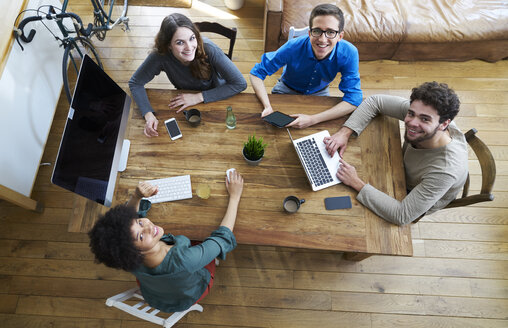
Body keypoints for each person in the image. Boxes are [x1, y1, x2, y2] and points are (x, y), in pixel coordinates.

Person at [88, 170, 244, 312]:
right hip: (191, 292)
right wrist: (235, 196)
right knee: (203, 238)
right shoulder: (185, 261)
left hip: (155, 294)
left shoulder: (125, 257)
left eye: (140, 222)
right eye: (141, 236)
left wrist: (136, 196)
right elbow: (222, 238)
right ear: (133, 253)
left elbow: (128, 220)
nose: (148, 227)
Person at [324, 82, 468, 225]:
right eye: (411, 113)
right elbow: (375, 101)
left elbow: (402, 215)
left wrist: (356, 183)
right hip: (399, 166)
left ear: (444, 124)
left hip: (411, 192)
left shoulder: (445, 171)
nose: (412, 123)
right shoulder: (426, 114)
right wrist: (345, 132)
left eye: (424, 119)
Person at [129, 13, 247, 137]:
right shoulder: (160, 56)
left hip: (218, 95)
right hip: (186, 102)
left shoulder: (209, 49)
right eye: (180, 42)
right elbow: (135, 83)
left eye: (192, 38)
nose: (189, 48)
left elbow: (240, 83)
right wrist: (148, 115)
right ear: (168, 45)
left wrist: (198, 97)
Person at [250, 3, 362, 129]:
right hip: (286, 89)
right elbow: (256, 74)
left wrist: (313, 119)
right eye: (317, 31)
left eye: (330, 32)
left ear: (340, 36)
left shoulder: (349, 53)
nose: (322, 39)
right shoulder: (292, 47)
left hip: (320, 92)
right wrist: (267, 106)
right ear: (309, 33)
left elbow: (354, 99)